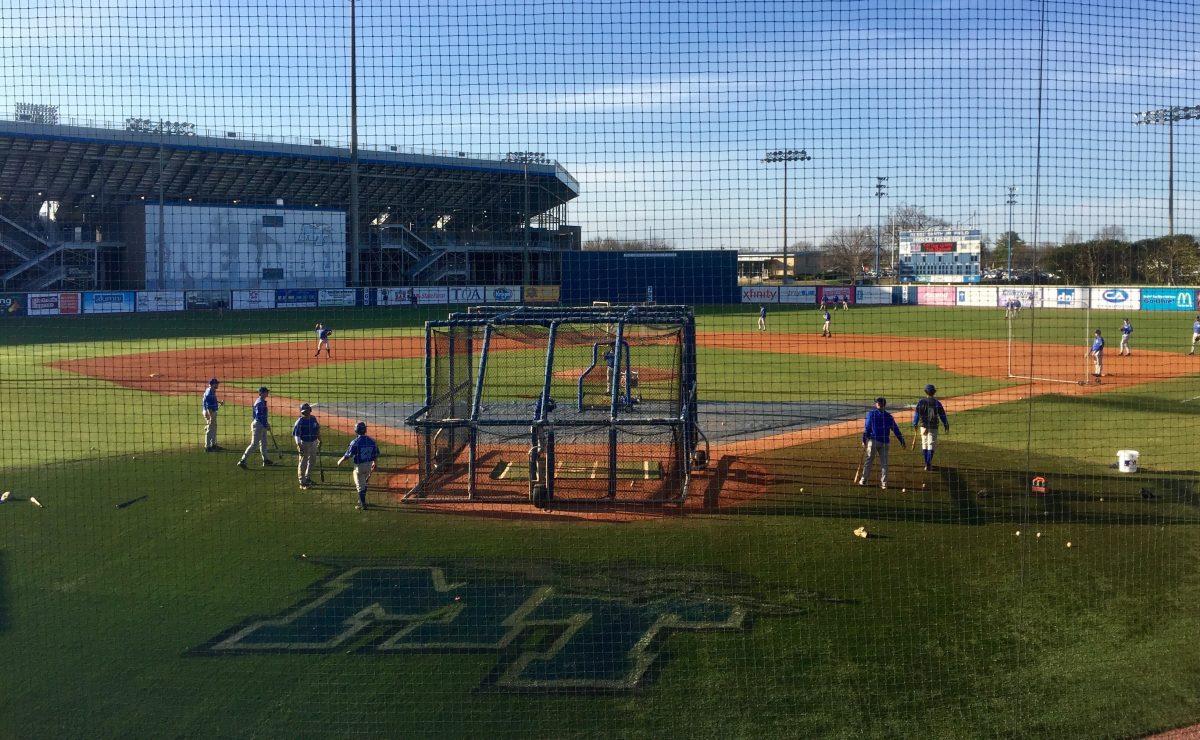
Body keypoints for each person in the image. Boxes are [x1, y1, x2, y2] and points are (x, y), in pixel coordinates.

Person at [859, 397, 906, 490]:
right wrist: (902, 441)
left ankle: (863, 480)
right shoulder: (889, 416)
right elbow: (896, 430)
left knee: (869, 461)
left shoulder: (871, 414)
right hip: (885, 443)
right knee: (884, 463)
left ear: (878, 404)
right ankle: (884, 483)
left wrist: (864, 440)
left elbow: (867, 428)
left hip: (873, 441)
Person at [337, 421, 380, 510]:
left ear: (356, 430)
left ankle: (362, 504)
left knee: (360, 486)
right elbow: (375, 454)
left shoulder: (355, 442)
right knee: (364, 483)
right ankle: (361, 500)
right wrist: (375, 463)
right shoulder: (372, 441)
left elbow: (348, 455)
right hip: (369, 466)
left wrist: (340, 461)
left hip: (359, 467)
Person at [912, 384, 950, 471]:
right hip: (933, 427)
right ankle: (928, 464)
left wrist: (915, 423)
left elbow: (917, 415)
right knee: (931, 445)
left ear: (925, 392)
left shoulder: (921, 402)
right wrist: (946, 424)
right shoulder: (937, 403)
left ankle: (927, 463)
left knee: (924, 444)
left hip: (923, 427)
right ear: (934, 392)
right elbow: (942, 416)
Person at [237, 387, 274, 469]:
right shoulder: (260, 402)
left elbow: (260, 415)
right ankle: (242, 460)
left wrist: (266, 423)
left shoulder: (262, 401)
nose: (267, 393)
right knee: (254, 444)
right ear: (261, 393)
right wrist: (265, 424)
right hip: (258, 425)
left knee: (264, 443)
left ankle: (266, 460)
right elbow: (259, 416)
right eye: (266, 392)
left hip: (261, 424)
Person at [292, 403, 321, 489]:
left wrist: (319, 439)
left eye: (307, 410)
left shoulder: (313, 418)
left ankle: (307, 477)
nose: (306, 412)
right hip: (304, 443)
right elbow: (296, 435)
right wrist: (299, 445)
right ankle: (302, 482)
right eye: (304, 411)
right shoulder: (299, 421)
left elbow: (317, 429)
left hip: (313, 442)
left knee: (312, 460)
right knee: (303, 462)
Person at [202, 378, 223, 452]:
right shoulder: (209, 393)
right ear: (212, 384)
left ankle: (213, 445)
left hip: (212, 411)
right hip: (209, 412)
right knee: (210, 429)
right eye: (216, 383)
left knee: (214, 428)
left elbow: (212, 399)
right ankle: (207, 447)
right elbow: (208, 407)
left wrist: (219, 402)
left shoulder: (212, 390)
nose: (217, 384)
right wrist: (210, 417)